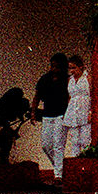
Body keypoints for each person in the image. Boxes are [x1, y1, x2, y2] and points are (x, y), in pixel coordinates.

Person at [32, 52, 72, 183]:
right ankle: (61, 168)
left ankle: (58, 175)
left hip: (61, 114)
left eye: (57, 67)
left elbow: (70, 97)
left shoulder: (67, 80)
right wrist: (33, 112)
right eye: (52, 66)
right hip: (47, 114)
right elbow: (37, 96)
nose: (54, 69)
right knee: (46, 144)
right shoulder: (44, 79)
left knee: (58, 144)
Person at [61, 52, 93, 174]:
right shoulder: (70, 80)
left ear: (80, 67)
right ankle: (76, 167)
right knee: (74, 140)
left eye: (74, 68)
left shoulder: (87, 78)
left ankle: (85, 166)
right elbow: (70, 96)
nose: (72, 70)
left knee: (85, 139)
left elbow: (92, 95)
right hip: (73, 109)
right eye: (70, 68)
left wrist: (91, 111)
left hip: (84, 108)